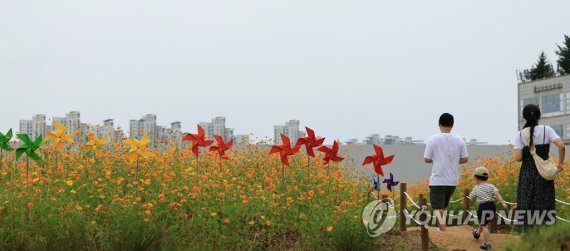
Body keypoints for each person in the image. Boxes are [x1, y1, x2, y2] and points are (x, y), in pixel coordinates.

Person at [514, 104, 565, 231]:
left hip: (527, 174)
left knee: (526, 203)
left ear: (524, 117)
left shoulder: (520, 134)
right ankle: (545, 234)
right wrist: (560, 164)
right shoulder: (546, 130)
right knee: (545, 203)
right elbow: (562, 146)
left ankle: (526, 234)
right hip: (544, 174)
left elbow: (518, 158)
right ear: (539, 115)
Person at [424, 113, 469, 231]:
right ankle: (441, 229)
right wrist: (452, 161)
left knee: (438, 207)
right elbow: (465, 159)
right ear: (452, 125)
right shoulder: (459, 139)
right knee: (443, 206)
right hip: (452, 180)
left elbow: (427, 159)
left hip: (438, 179)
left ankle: (443, 230)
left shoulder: (433, 139)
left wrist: (438, 159)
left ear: (439, 124)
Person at [468, 167, 508, 250]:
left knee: (484, 225)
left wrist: (474, 199)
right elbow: (497, 195)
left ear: (476, 178)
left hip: (483, 207)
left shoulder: (476, 188)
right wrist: (503, 203)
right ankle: (477, 233)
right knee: (484, 221)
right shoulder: (491, 186)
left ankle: (487, 243)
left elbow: (471, 198)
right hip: (492, 207)